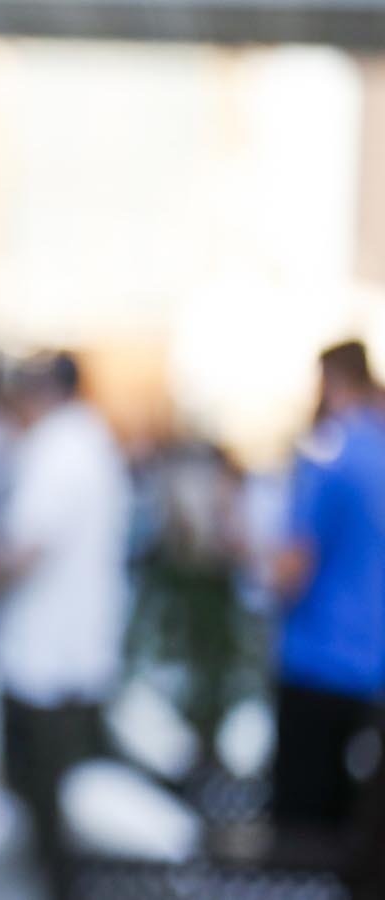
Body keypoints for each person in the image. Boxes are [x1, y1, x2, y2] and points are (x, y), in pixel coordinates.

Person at [0, 352, 131, 900]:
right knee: (70, 806)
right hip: (79, 647)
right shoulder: (94, 440)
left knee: (53, 815)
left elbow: (27, 547)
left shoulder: (57, 448)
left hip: (46, 654)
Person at [268, 341, 385, 871]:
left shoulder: (329, 449)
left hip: (318, 663)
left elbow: (292, 567)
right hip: (370, 670)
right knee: (353, 835)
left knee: (299, 839)